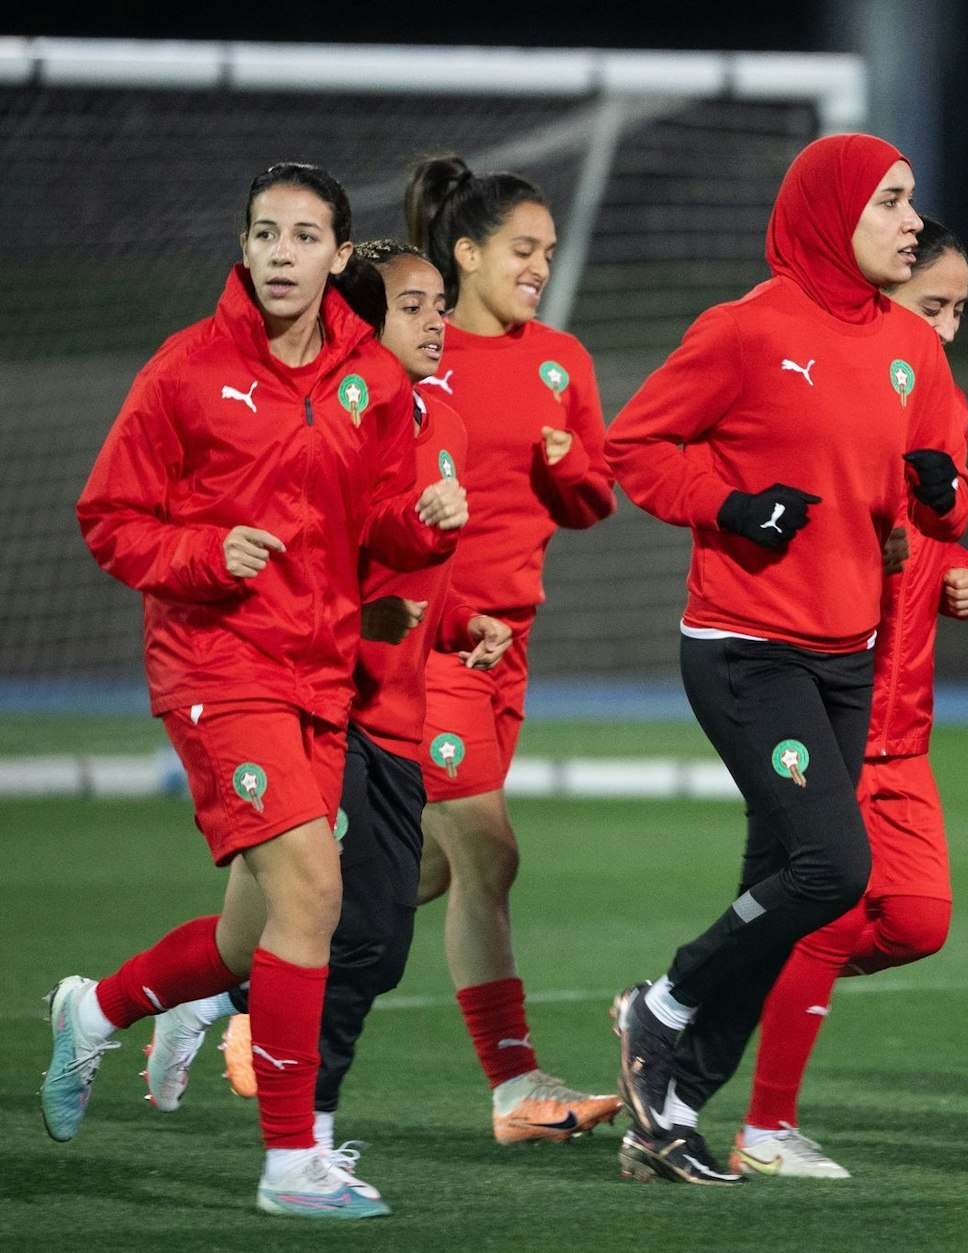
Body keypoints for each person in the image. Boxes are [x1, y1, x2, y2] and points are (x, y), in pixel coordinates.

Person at [48, 163, 466, 1218]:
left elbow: (374, 524)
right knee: (318, 894)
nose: (281, 253)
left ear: (336, 256)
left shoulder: (367, 378)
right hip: (215, 667)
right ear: (245, 250)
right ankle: (291, 1163)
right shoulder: (184, 369)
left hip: (316, 673)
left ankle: (95, 1010)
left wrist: (428, 524)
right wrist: (200, 552)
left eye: (302, 236)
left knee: (254, 936)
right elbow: (109, 518)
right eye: (264, 234)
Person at [605, 133, 968, 1186]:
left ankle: (665, 1116)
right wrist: (727, 504)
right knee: (835, 869)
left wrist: (942, 498)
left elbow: (943, 487)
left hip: (846, 654)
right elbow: (634, 448)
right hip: (743, 648)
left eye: (911, 200)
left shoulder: (914, 345)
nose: (911, 222)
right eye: (891, 202)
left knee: (786, 885)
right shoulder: (744, 331)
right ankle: (661, 1003)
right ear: (829, 212)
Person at [141, 241, 521, 1156]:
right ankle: (302, 1144)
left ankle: (118, 1008)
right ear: (359, 322)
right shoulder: (323, 420)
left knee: (266, 940)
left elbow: (406, 561)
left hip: (397, 712)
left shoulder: (441, 423)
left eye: (442, 304)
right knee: (355, 935)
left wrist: (464, 616)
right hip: (320, 706)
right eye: (416, 306)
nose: (439, 322)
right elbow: (315, 553)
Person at [733, 218, 968, 1179]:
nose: (949, 329)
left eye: (960, 310)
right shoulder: (842, 392)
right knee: (831, 911)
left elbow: (940, 530)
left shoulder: (939, 406)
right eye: (934, 307)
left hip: (905, 730)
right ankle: (765, 1128)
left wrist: (961, 570)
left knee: (919, 920)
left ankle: (746, 973)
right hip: (827, 707)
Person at [403, 155, 623, 1142]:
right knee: (489, 853)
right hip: (428, 642)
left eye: (547, 251)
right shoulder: (414, 349)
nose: (538, 266)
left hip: (508, 642)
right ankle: (514, 1086)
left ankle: (229, 989)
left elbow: (589, 502)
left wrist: (569, 462)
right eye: (521, 249)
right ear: (466, 251)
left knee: (419, 869)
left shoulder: (561, 361)